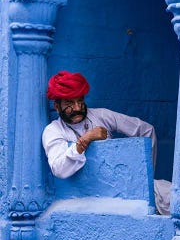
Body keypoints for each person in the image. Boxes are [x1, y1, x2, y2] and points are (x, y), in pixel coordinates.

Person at [42, 70, 171, 214]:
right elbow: (59, 168)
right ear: (57, 106)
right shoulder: (53, 131)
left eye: (80, 101)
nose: (77, 108)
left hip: (128, 190)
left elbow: (147, 130)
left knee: (175, 197)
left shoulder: (101, 115)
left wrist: (144, 179)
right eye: (69, 103)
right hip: (91, 201)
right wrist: (85, 139)